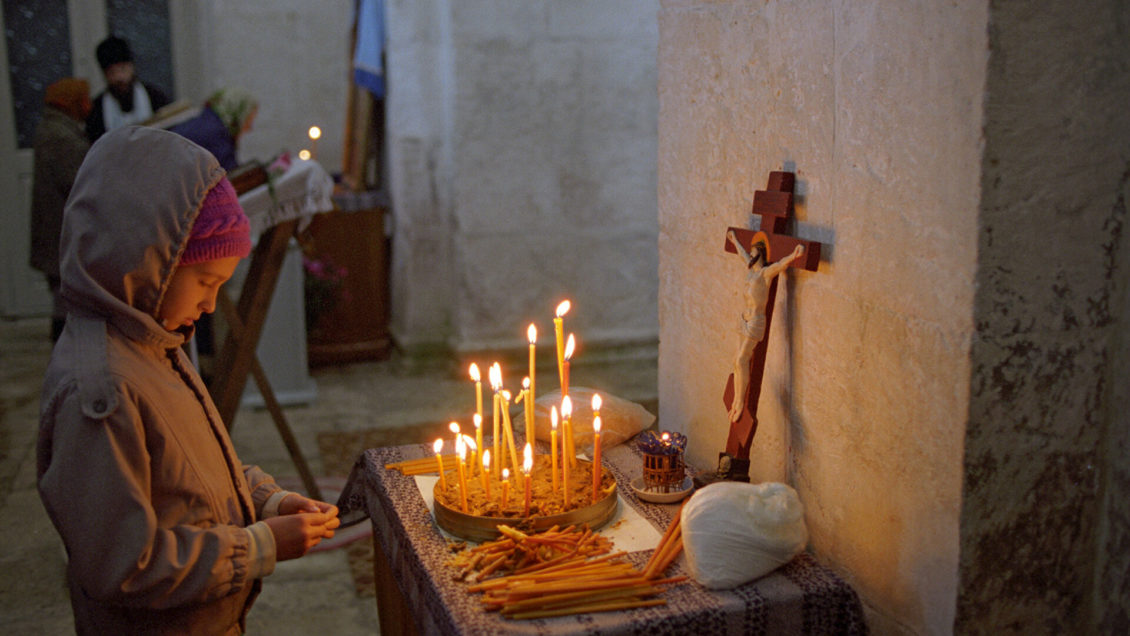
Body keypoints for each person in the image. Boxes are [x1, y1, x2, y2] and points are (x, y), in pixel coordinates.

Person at [36, 126, 339, 634]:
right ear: (145, 260)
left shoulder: (150, 342)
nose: (211, 304)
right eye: (205, 282)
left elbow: (189, 472)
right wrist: (261, 546)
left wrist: (266, 499)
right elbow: (126, 565)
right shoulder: (102, 390)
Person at [29, 78, 92, 342]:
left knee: (63, 297)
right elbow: (78, 179)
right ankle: (64, 354)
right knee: (63, 301)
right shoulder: (60, 135)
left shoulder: (55, 128)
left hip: (55, 227)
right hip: (59, 230)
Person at [726, 229, 804, 422]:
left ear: (760, 254)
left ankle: (741, 402)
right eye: (750, 254)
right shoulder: (751, 271)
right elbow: (742, 255)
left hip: (755, 322)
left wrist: (794, 255)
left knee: (743, 359)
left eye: (753, 254)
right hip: (744, 318)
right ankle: (736, 401)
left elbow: (780, 264)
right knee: (736, 361)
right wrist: (734, 239)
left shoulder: (764, 274)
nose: (750, 257)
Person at [86, 35, 171, 142]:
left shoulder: (155, 97)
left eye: (123, 69)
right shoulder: (96, 110)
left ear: (132, 67)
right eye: (112, 72)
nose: (119, 78)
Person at [169, 87, 259, 172]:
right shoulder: (218, 135)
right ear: (238, 116)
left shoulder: (204, 120)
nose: (249, 128)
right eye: (248, 121)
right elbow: (230, 178)